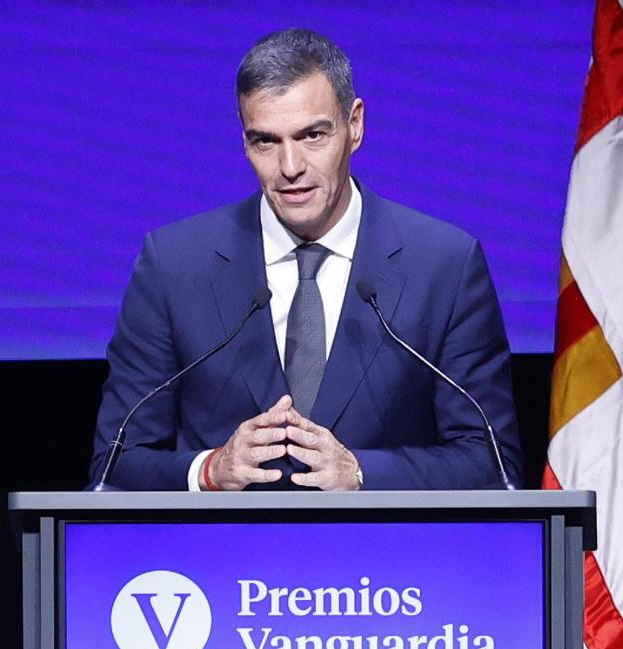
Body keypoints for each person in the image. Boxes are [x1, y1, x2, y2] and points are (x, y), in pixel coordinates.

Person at [88, 28, 521, 491]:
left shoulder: (445, 266)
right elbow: (115, 464)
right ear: (244, 142)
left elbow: (490, 461)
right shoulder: (174, 265)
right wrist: (210, 470)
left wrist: (362, 474)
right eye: (266, 142)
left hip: (387, 558)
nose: (290, 167)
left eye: (313, 135)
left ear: (354, 125)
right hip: (220, 558)